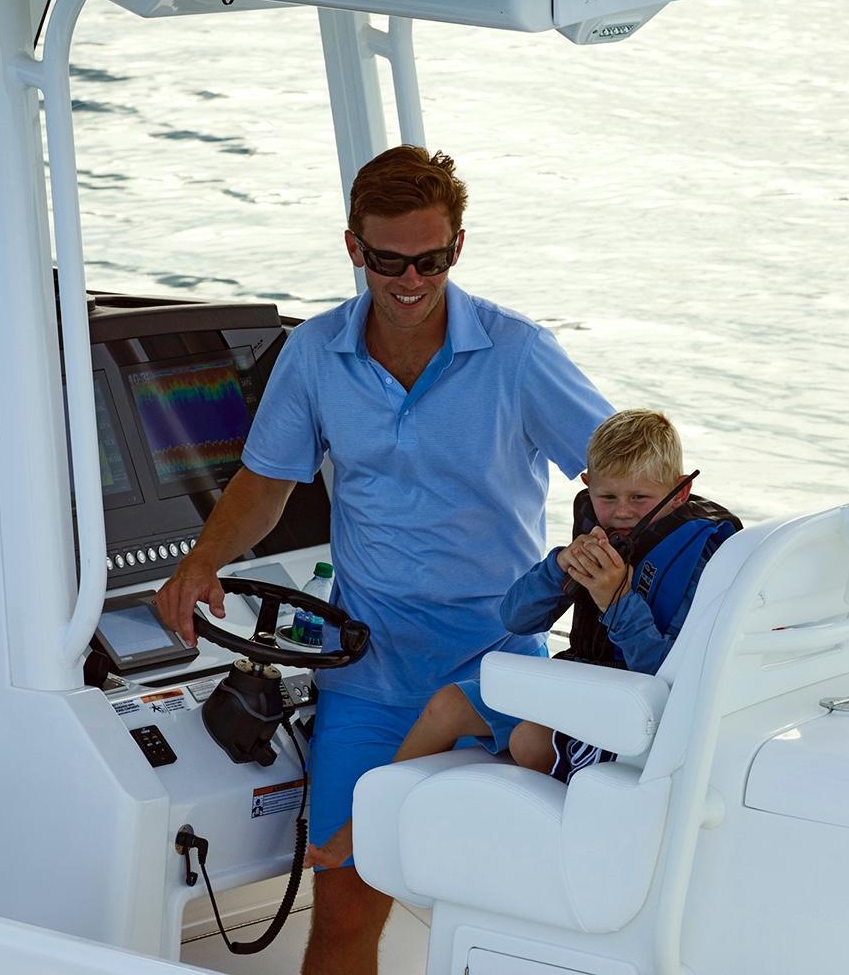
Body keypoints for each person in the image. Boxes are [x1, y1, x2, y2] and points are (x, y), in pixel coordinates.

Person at [153, 145, 612, 975]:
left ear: (458, 248)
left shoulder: (519, 353)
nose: (409, 280)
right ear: (353, 248)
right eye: (388, 261)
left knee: (495, 918)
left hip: (495, 674)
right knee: (342, 914)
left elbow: (621, 480)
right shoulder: (314, 352)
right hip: (367, 677)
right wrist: (200, 563)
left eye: (430, 261)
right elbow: (266, 482)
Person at [305, 409, 740, 868]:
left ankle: (551, 853)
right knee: (447, 705)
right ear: (588, 485)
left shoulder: (705, 554)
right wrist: (558, 568)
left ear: (679, 492)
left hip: (639, 709)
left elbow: (669, 674)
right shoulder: (599, 532)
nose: (622, 512)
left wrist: (616, 601)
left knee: (529, 740)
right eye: (608, 497)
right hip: (582, 681)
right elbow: (516, 618)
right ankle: (363, 829)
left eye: (640, 497)